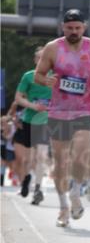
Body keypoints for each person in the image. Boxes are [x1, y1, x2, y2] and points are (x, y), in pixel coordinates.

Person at [34, 9, 90, 226]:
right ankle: (63, 208)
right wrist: (46, 80)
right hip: (59, 111)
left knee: (80, 156)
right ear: (63, 27)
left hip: (85, 110)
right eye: (70, 28)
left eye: (78, 28)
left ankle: (76, 192)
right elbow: (39, 74)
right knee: (60, 163)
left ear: (84, 28)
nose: (74, 32)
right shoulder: (52, 48)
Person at [12, 46, 52, 204]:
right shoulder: (28, 76)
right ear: (36, 60)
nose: (43, 61)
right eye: (40, 58)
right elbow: (18, 98)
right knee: (28, 159)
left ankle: (38, 189)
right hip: (29, 120)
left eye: (46, 59)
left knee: (41, 156)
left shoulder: (54, 78)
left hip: (46, 122)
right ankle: (27, 177)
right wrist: (33, 106)